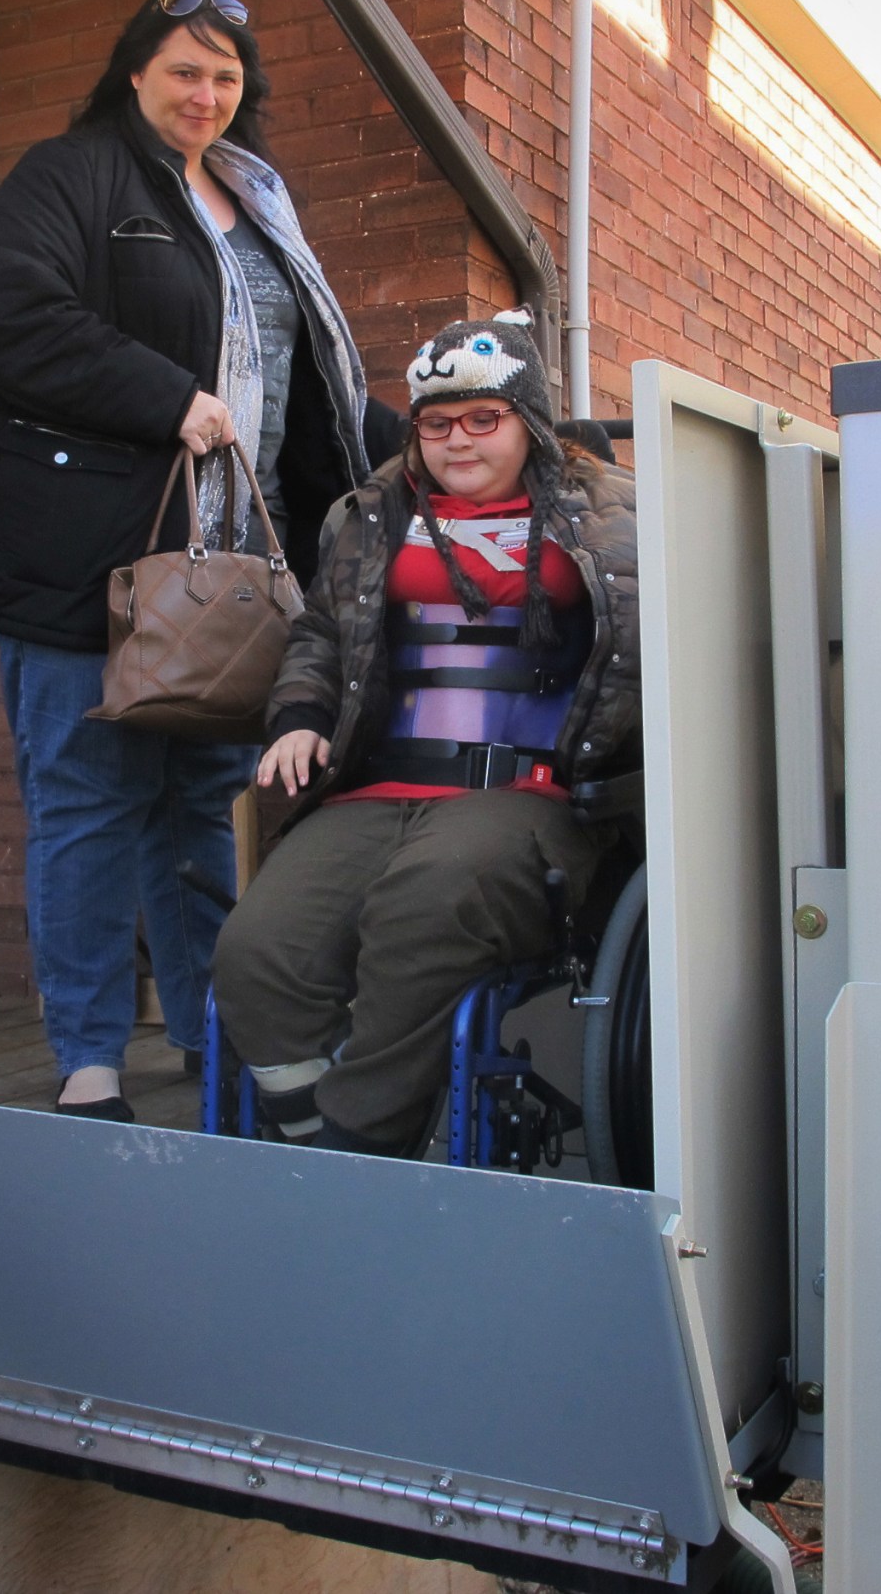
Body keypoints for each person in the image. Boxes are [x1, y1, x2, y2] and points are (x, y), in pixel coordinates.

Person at [0, 0, 397, 1121]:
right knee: (87, 804)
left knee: (201, 814)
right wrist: (167, 394)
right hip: (90, 562)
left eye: (225, 77)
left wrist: (443, 445)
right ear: (136, 74)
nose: (205, 95)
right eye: (184, 71)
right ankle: (87, 1060)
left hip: (224, 571)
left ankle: (218, 1036)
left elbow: (309, 383)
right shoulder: (75, 178)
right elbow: (11, 315)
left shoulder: (261, 203)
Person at [212, 311, 641, 1155]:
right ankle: (306, 1131)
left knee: (426, 904)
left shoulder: (615, 516)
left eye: (485, 417)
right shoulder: (370, 514)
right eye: (437, 422)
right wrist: (298, 718)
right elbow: (322, 636)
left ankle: (358, 1150)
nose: (458, 438)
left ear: (529, 421)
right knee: (259, 949)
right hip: (379, 784)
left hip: (530, 794)